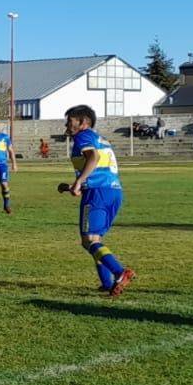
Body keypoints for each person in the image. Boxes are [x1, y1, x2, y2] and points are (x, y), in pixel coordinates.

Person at [63, 105, 135, 296]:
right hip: (113, 191)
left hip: (97, 193)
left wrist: (80, 181)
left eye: (70, 121)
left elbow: (93, 158)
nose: (67, 125)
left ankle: (120, 272)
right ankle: (107, 283)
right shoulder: (100, 139)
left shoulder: (83, 136)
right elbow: (98, 166)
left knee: (89, 241)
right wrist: (78, 184)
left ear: (83, 122)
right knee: (96, 239)